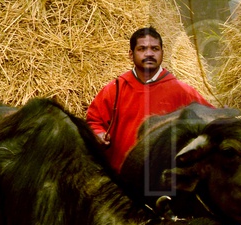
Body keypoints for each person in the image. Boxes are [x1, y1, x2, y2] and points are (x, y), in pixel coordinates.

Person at [85, 26, 212, 171]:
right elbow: (94, 121)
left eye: (155, 48)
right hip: (119, 177)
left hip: (163, 180)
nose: (149, 53)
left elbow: (212, 120)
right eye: (142, 49)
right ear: (131, 55)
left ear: (162, 53)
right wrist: (98, 133)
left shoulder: (182, 91)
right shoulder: (115, 88)